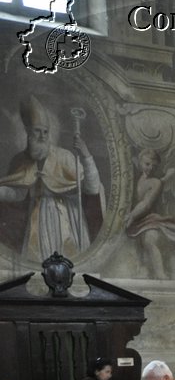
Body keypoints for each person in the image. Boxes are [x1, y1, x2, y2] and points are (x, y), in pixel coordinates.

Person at [0, 96, 103, 262]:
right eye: (37, 130)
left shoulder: (65, 157)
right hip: (36, 220)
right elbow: (17, 194)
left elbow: (92, 188)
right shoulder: (20, 160)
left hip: (67, 218)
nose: (42, 136)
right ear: (28, 131)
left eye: (45, 132)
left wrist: (86, 155)